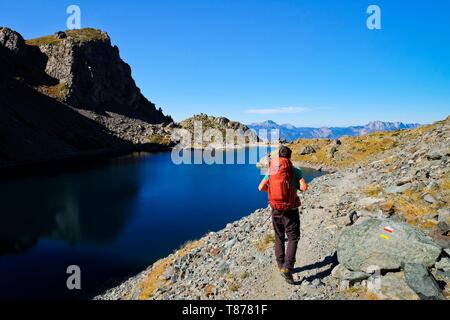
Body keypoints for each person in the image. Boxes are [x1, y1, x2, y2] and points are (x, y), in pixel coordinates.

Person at [258, 146, 308, 284]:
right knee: (293, 237)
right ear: (289, 157)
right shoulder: (295, 170)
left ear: (279, 156)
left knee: (279, 237)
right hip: (290, 210)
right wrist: (296, 187)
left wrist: (272, 193)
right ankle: (287, 267)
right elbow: (303, 188)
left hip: (275, 209)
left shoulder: (272, 170)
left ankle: (280, 265)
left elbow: (260, 187)